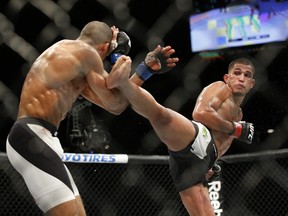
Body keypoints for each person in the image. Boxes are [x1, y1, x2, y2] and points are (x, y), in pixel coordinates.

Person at [5, 20, 179, 216]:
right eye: (107, 53)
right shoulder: (86, 53)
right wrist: (118, 57)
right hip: (33, 136)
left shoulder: (73, 63)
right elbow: (115, 97)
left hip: (35, 137)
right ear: (104, 46)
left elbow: (115, 105)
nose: (102, 62)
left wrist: (144, 70)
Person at [107, 57, 255, 216]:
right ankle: (124, 83)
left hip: (198, 163)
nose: (241, 78)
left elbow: (222, 142)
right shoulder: (221, 89)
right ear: (227, 77)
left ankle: (124, 85)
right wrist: (235, 129)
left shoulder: (239, 114)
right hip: (198, 138)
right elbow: (200, 113)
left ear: (252, 84)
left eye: (247, 75)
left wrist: (210, 163)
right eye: (237, 73)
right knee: (161, 116)